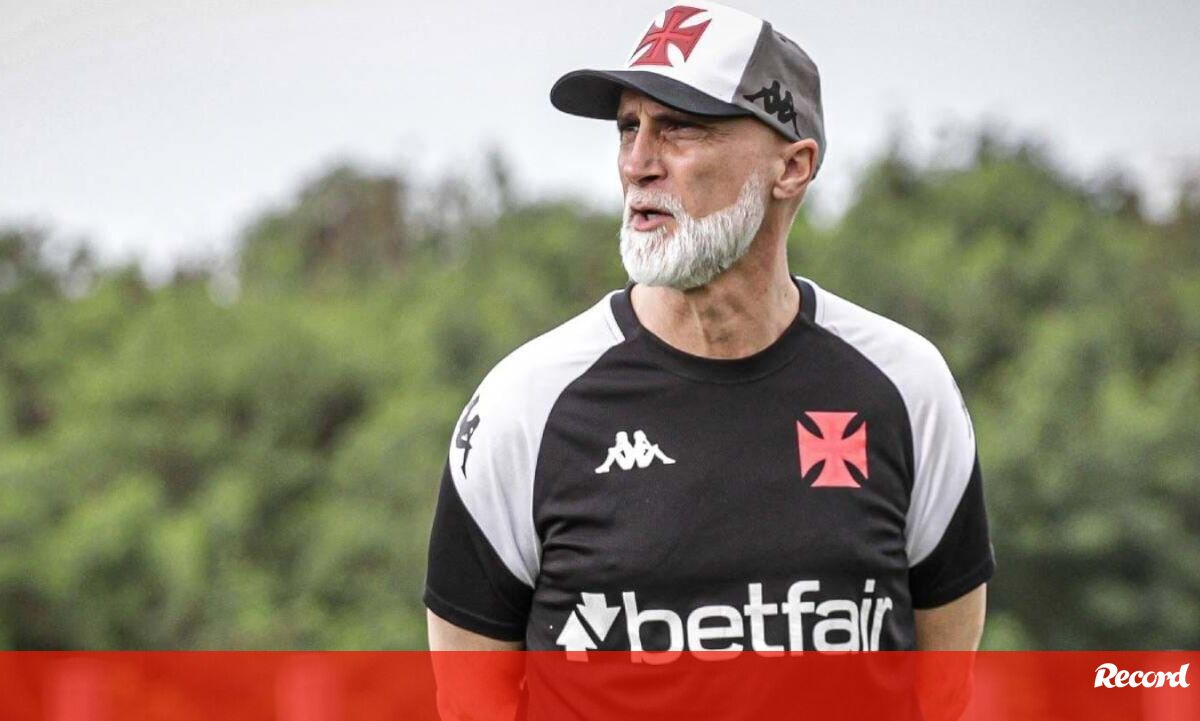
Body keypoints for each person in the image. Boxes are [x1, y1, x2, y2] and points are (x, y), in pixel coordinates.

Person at [426, 0, 992, 672]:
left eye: (681, 128)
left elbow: (942, 685)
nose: (638, 163)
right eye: (628, 128)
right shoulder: (525, 404)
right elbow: (471, 698)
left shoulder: (906, 386)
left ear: (792, 167)